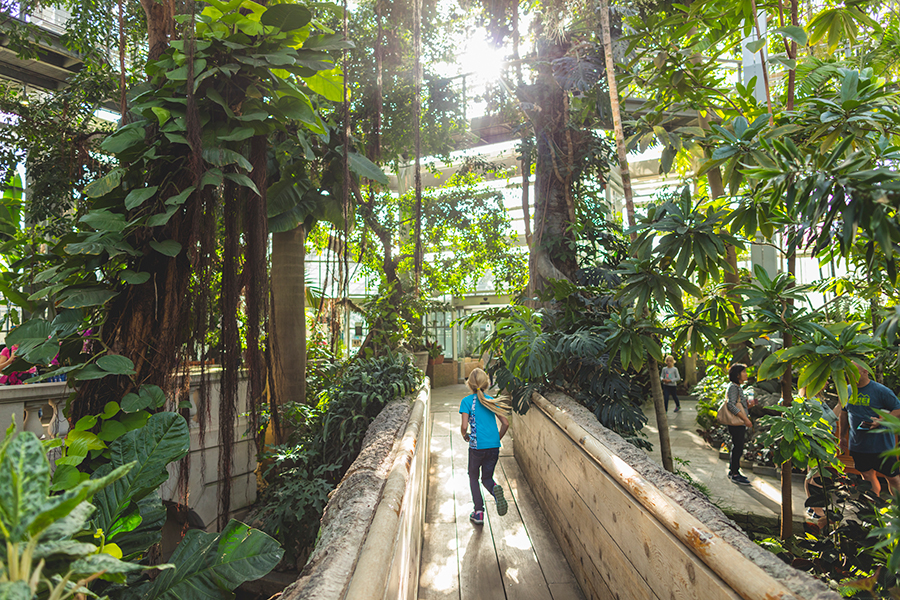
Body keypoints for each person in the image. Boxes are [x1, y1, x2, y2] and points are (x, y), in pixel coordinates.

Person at [838, 362, 900, 496]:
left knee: (893, 478)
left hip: (882, 446)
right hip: (859, 445)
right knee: (866, 476)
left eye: (855, 372)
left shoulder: (881, 391)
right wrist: (842, 436)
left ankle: (897, 509)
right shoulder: (847, 390)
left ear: (865, 372)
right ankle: (873, 508)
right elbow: (843, 413)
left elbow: (898, 409)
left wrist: (882, 420)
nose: (851, 375)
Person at [459, 367, 510, 525]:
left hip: (476, 447)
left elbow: (464, 425)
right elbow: (505, 423)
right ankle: (496, 493)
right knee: (487, 478)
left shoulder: (467, 401)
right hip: (493, 447)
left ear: (470, 384)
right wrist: (497, 439)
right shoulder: (490, 400)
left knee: (473, 477)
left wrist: (465, 435)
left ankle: (479, 512)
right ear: (487, 383)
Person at [725, 363, 753, 486]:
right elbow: (730, 405)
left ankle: (734, 471)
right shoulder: (733, 387)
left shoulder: (737, 387)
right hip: (736, 423)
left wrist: (749, 405)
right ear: (737, 375)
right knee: (738, 446)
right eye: (744, 372)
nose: (746, 374)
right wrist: (745, 419)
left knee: (737, 446)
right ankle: (735, 473)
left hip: (739, 422)